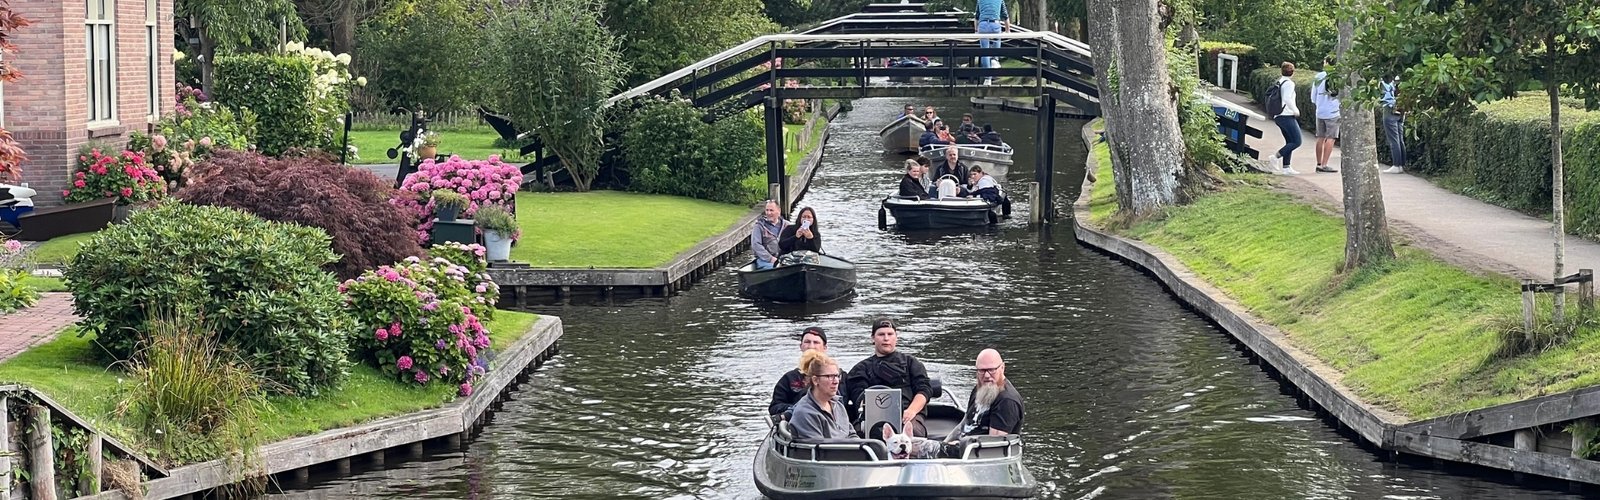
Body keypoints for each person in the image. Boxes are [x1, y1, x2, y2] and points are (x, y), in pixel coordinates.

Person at [846, 318, 933, 439]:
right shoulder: (860, 369)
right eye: (881, 334)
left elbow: (924, 390)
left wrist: (911, 411)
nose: (886, 338)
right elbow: (858, 397)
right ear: (873, 338)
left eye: (890, 334)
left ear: (896, 337)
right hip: (870, 416)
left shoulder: (911, 363)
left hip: (908, 415)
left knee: (912, 434)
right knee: (858, 436)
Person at [788, 350, 859, 441]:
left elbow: (851, 434)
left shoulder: (838, 405)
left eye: (837, 376)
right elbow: (821, 451)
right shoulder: (805, 413)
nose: (836, 381)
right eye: (829, 376)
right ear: (815, 380)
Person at [957, 349, 1024, 437]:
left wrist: (958, 444)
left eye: (992, 370)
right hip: (962, 443)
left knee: (932, 448)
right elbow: (964, 423)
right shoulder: (980, 388)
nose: (987, 375)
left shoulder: (1007, 401)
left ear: (1002, 368)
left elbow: (993, 445)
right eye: (982, 370)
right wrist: (946, 442)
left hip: (974, 449)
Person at [770, 327, 828, 416]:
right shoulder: (789, 378)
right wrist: (797, 408)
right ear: (801, 346)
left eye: (816, 342)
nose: (811, 346)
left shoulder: (838, 376)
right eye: (807, 342)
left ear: (824, 348)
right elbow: (774, 407)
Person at [1265, 62, 1303, 175]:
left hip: (1278, 115)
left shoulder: (1280, 81)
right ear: (1293, 72)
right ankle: (1275, 157)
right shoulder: (1289, 84)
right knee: (1297, 141)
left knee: (1289, 141)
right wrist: (1295, 110)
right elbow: (1287, 98)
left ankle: (1286, 167)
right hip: (1286, 115)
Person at [1311, 57, 1340, 173]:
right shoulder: (1337, 77)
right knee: (1331, 138)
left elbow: (1313, 96)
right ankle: (1325, 164)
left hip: (1320, 111)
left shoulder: (1319, 77)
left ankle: (1318, 163)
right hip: (1333, 111)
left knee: (1320, 137)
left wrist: (1318, 104)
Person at [975, 0, 1009, 85]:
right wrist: (1008, 30)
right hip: (995, 24)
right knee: (997, 39)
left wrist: (976, 30)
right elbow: (1005, 15)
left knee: (985, 51)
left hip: (983, 25)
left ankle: (987, 79)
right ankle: (995, 59)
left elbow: (977, 16)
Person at [1380, 75, 1406, 174]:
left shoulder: (1384, 82)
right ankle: (1401, 165)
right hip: (1401, 109)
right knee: (1400, 139)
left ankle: (1396, 165)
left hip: (1389, 108)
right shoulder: (1399, 80)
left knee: (1394, 140)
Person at [749, 200, 786, 270]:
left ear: (779, 211)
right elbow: (756, 245)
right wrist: (770, 258)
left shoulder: (787, 225)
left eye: (771, 210)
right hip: (765, 260)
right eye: (767, 210)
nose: (768, 213)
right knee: (775, 268)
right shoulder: (759, 226)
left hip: (783, 259)